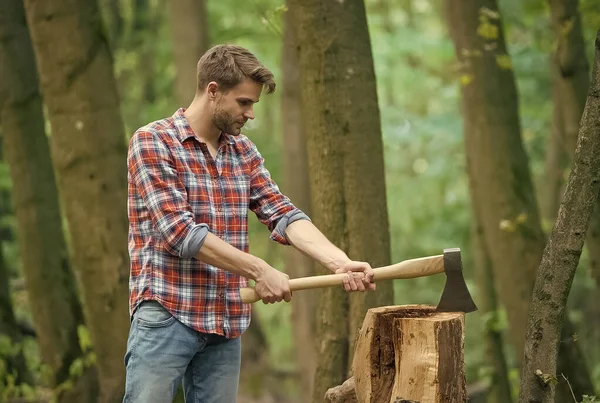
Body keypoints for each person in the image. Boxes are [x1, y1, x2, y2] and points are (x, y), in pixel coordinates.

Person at [124, 44, 376, 403]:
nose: (251, 113)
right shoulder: (153, 142)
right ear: (213, 91)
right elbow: (180, 233)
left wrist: (339, 261)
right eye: (244, 102)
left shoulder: (243, 153)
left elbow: (282, 213)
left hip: (225, 320)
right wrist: (260, 270)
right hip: (167, 314)